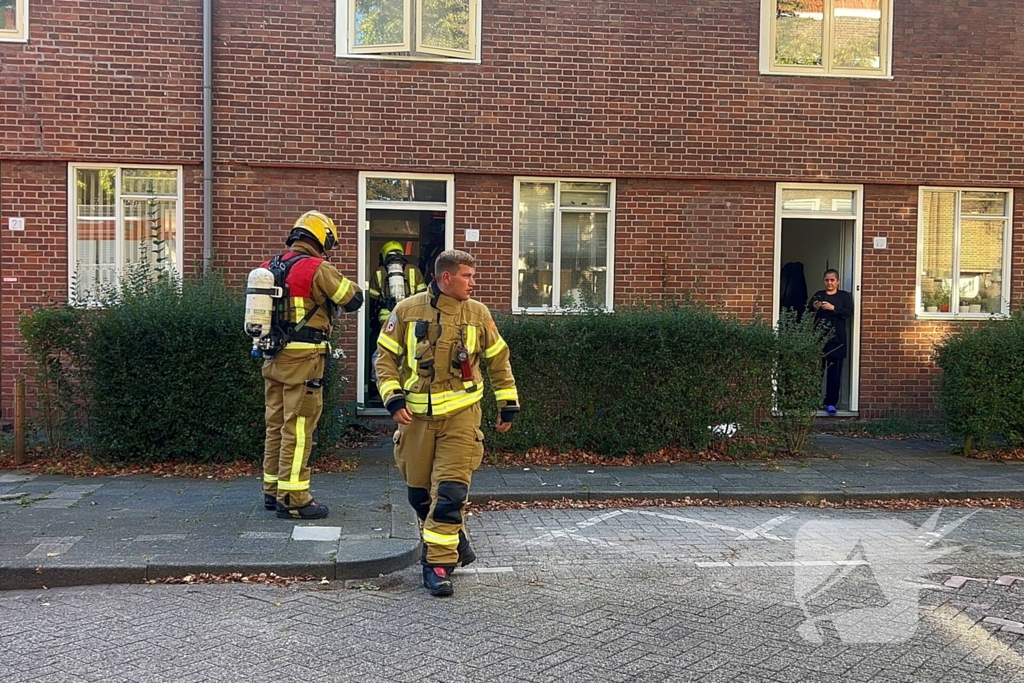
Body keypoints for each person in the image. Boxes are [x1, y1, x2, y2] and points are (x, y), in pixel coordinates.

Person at [374, 249, 519, 597]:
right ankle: (457, 538)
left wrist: (507, 402)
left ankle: (437, 565)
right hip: (416, 420)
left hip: (461, 417)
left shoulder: (478, 314)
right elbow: (384, 358)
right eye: (467, 276)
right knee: (420, 495)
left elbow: (498, 360)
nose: (473, 282)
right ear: (446, 278)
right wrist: (393, 398)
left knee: (451, 493)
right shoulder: (406, 310)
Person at [261, 211, 363, 520]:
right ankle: (294, 498)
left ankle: (272, 490)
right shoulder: (317, 268)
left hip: (272, 357)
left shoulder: (268, 267)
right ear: (322, 239)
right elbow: (352, 299)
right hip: (304, 361)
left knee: (276, 425)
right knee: (300, 429)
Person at [808, 268, 854, 416]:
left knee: (834, 374)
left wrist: (833, 308)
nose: (829, 283)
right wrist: (814, 308)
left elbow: (849, 312)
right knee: (816, 372)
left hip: (837, 340)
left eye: (832, 280)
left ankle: (830, 403)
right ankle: (813, 401)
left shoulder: (844, 296)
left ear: (838, 281)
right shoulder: (818, 295)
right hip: (819, 340)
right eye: (827, 280)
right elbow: (807, 311)